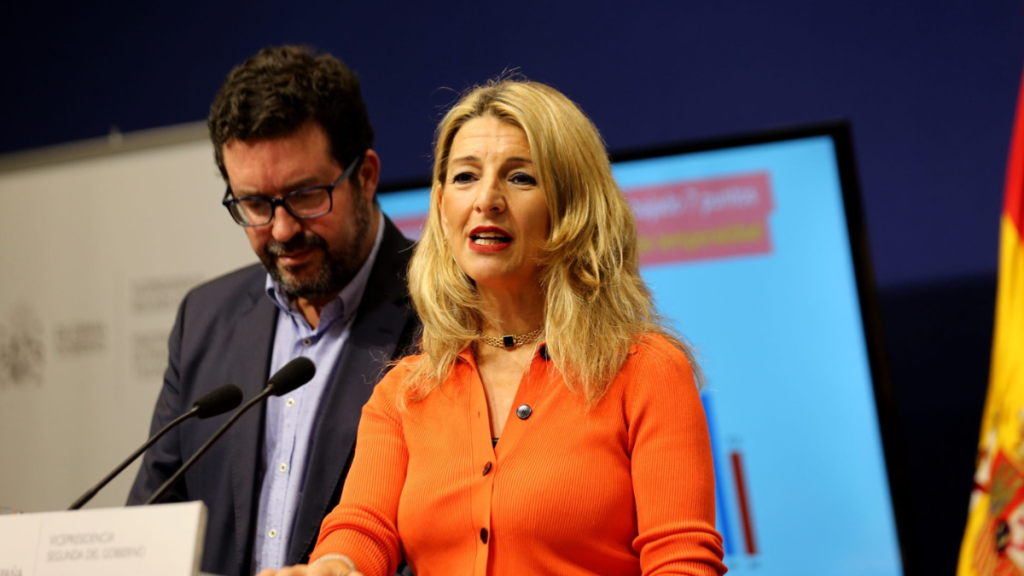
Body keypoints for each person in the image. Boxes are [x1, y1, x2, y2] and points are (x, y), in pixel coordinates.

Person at [262, 79, 726, 576]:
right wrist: (336, 565)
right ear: (441, 206)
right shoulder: (405, 392)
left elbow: (681, 560)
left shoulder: (646, 371)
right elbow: (363, 525)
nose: (486, 199)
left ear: (573, 206)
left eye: (520, 178)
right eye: (465, 177)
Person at [127, 46, 420, 576]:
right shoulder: (204, 320)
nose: (282, 230)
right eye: (255, 204)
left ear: (366, 176)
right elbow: (152, 527)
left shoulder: (447, 312)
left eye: (305, 196)